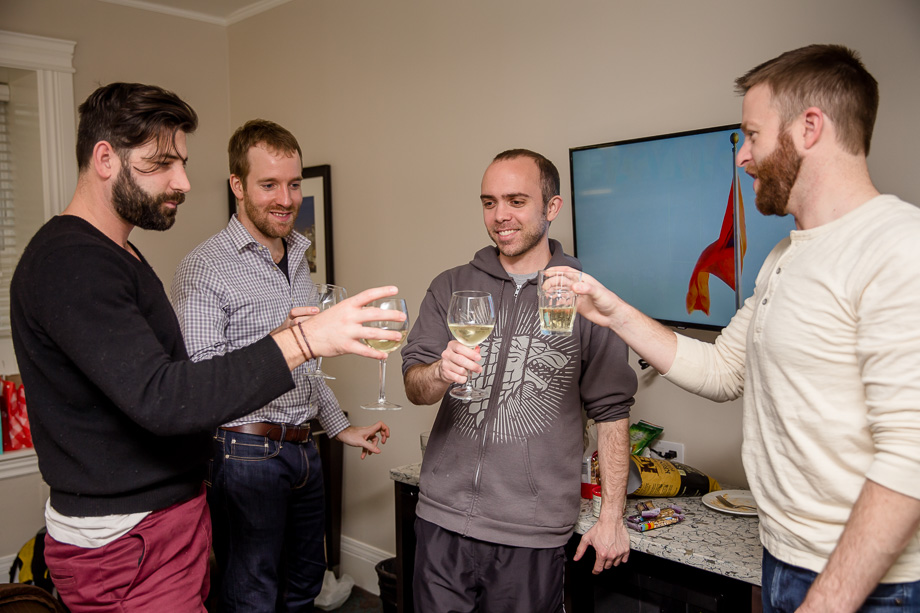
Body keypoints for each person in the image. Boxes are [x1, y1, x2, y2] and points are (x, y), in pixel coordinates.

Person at [9, 83, 404, 613]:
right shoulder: (72, 261)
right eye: (162, 164)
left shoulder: (117, 252)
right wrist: (303, 340)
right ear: (105, 159)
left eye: (183, 163)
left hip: (163, 522)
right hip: (130, 541)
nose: (184, 182)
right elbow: (167, 396)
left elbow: (156, 379)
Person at [560, 44, 920, 612]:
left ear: (809, 128)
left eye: (752, 135)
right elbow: (724, 370)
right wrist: (612, 311)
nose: (742, 156)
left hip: (875, 587)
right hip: (785, 559)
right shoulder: (785, 257)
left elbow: (912, 453)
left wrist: (827, 602)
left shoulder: (898, 246)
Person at [401, 149, 638, 612]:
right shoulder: (451, 285)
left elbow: (612, 412)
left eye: (515, 201)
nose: (500, 216)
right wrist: (438, 373)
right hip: (441, 522)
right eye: (489, 202)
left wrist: (611, 516)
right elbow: (415, 386)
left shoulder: (587, 296)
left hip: (530, 533)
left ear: (551, 208)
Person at [171, 119, 389, 612]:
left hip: (303, 450)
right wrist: (285, 339)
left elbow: (308, 362)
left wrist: (338, 429)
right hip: (244, 454)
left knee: (304, 587)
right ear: (237, 186)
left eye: (293, 184)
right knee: (251, 596)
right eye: (268, 184)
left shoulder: (297, 258)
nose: (286, 198)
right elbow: (203, 379)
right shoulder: (204, 267)